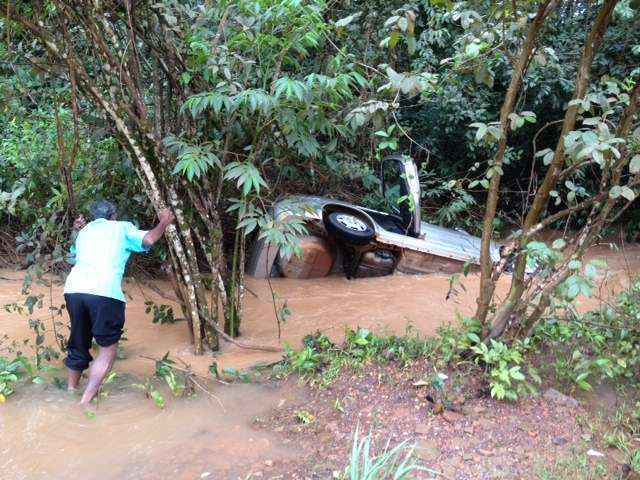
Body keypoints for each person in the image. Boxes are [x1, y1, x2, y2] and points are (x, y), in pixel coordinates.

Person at [64, 200, 175, 409]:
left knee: (78, 342)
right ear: (113, 215)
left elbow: (74, 255)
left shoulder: (84, 231)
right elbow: (149, 239)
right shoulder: (122, 227)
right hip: (105, 293)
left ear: (93, 216)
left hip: (73, 290)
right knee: (107, 351)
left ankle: (71, 390)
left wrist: (76, 229)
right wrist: (164, 222)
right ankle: (85, 402)